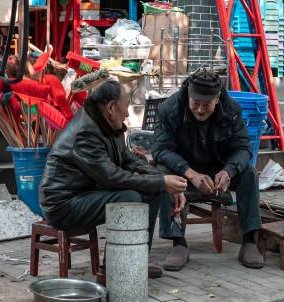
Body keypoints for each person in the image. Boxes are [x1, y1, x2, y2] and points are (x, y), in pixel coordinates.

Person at [40, 80, 188, 278]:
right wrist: (162, 182)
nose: (127, 113)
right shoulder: (86, 133)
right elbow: (112, 177)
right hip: (63, 205)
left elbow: (127, 160)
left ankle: (136, 258)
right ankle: (113, 268)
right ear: (110, 107)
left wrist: (163, 180)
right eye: (125, 106)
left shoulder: (107, 123)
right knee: (128, 198)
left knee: (151, 191)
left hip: (86, 194)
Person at [152, 69, 264, 271]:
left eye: (207, 105)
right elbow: (160, 150)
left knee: (248, 173)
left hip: (217, 169)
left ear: (217, 98)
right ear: (188, 96)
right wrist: (190, 174)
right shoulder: (169, 109)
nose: (201, 110)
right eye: (195, 104)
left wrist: (229, 170)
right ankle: (178, 243)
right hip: (183, 169)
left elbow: (244, 147)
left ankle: (249, 240)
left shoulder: (231, 110)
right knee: (163, 173)